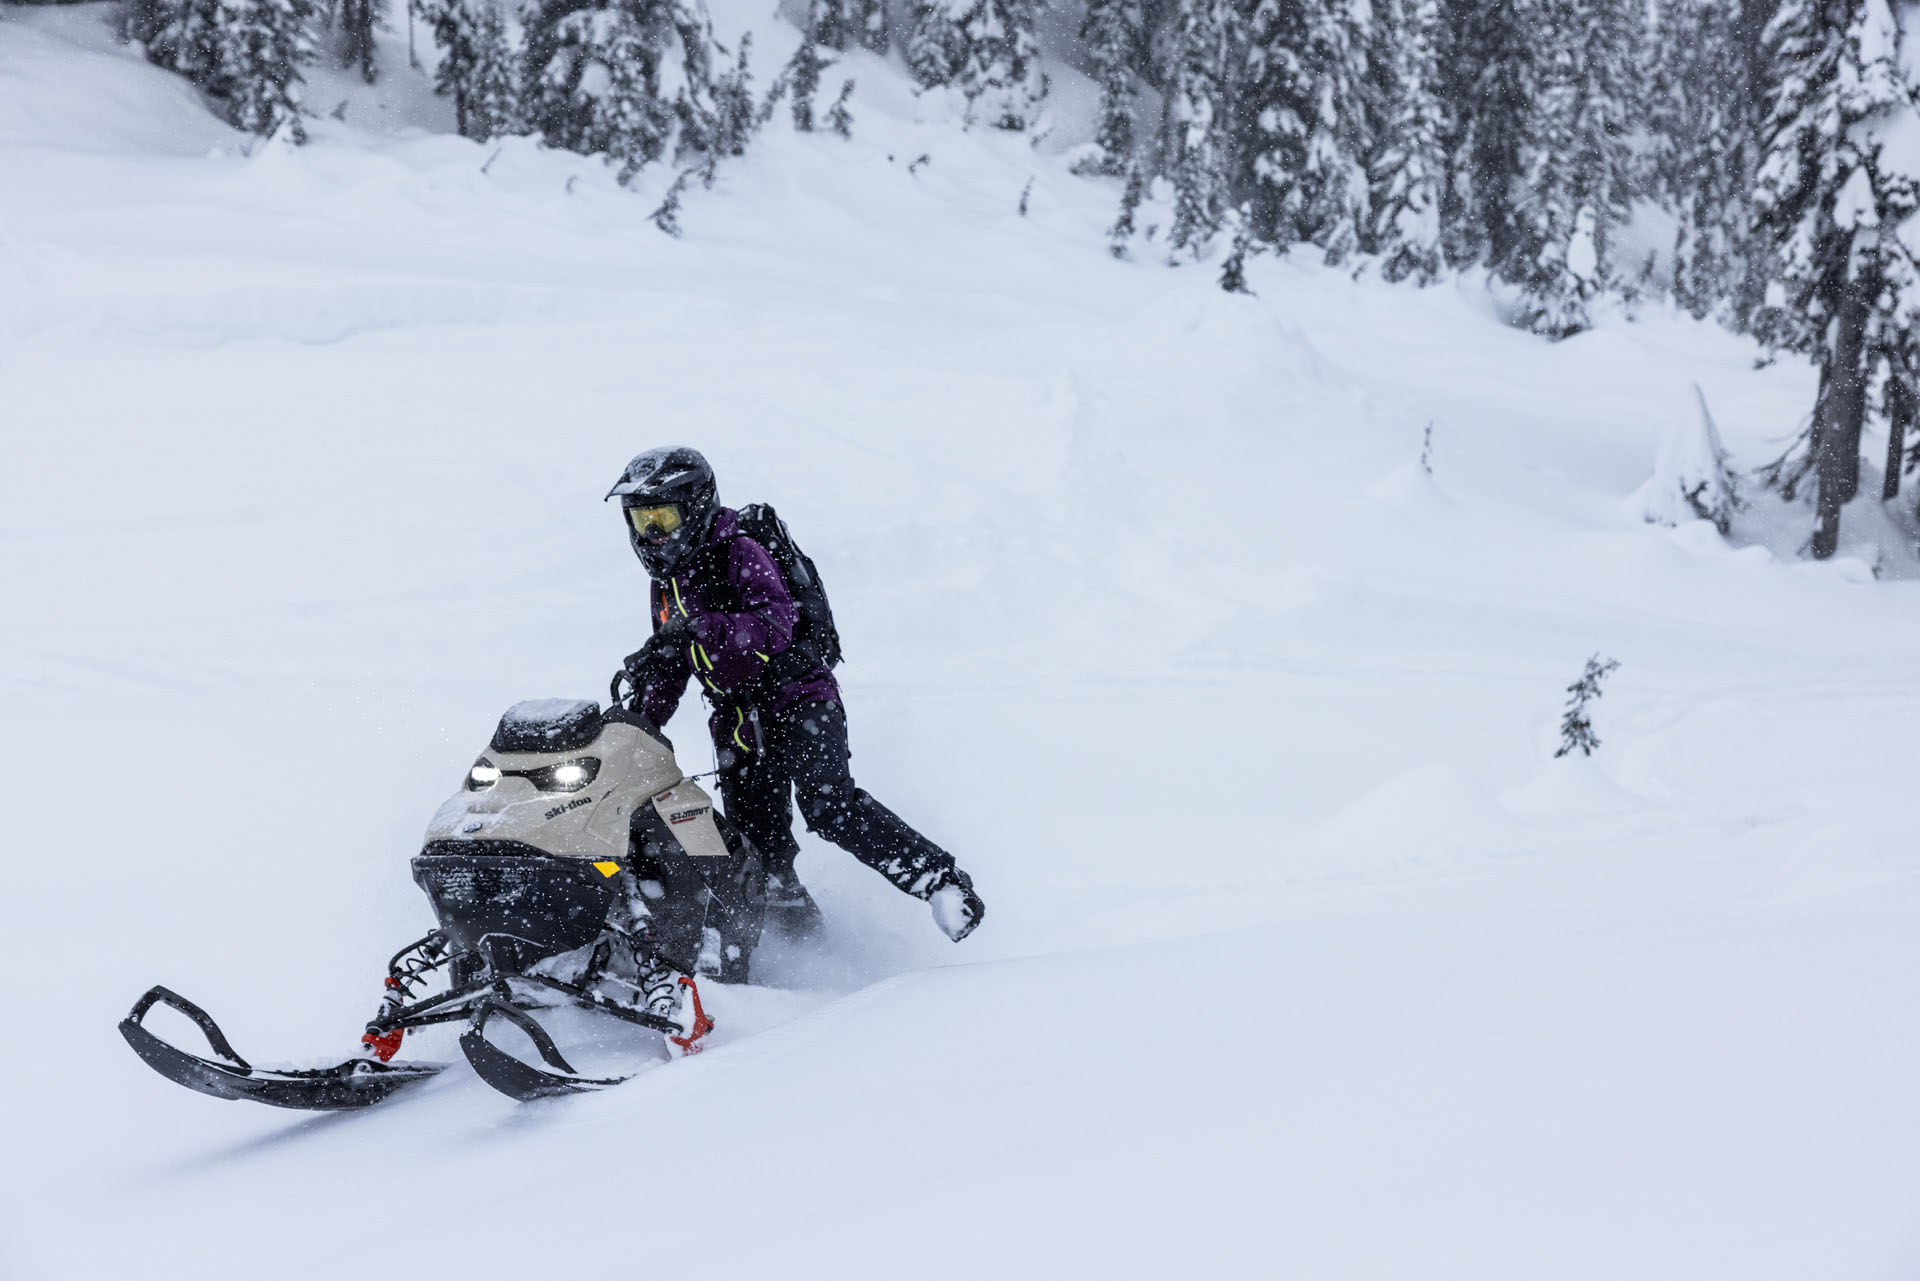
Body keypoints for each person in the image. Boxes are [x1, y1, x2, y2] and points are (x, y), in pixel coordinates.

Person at [606, 446, 986, 944]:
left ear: (696, 507)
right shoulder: (666, 584)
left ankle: (942, 884)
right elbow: (673, 668)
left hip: (799, 699)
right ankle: (802, 962)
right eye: (641, 520)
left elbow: (774, 625)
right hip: (737, 722)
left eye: (663, 517)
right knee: (759, 854)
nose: (652, 534)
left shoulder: (740, 552)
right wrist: (636, 729)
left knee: (830, 808)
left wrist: (701, 628)